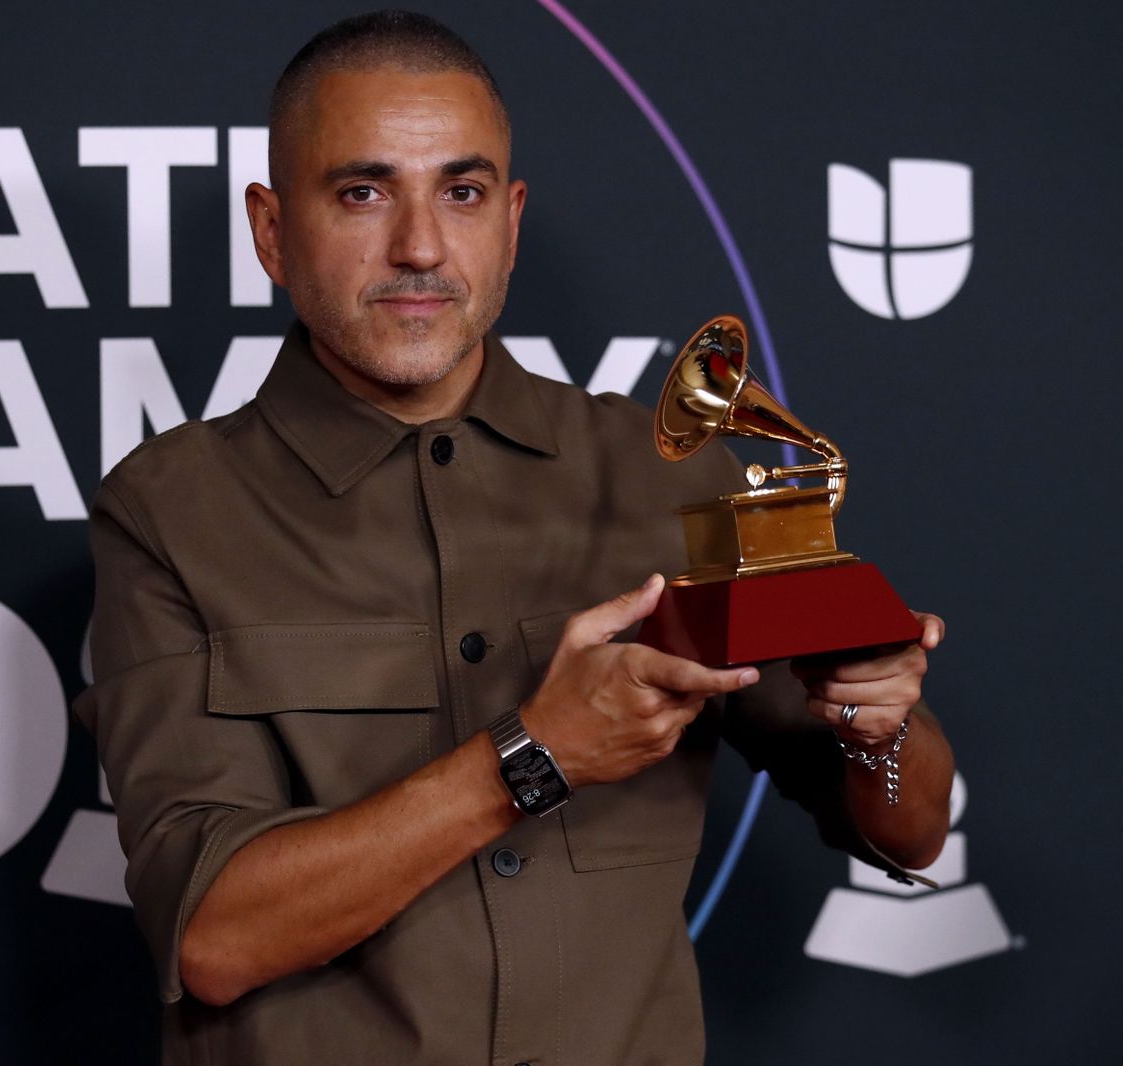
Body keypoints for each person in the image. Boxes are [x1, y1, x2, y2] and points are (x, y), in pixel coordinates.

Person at [74, 10, 953, 1065]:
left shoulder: (662, 473)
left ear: (511, 220)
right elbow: (212, 933)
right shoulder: (170, 511)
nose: (419, 247)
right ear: (270, 230)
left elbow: (903, 830)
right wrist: (535, 756)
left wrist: (880, 726)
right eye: (362, 191)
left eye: (462, 190)